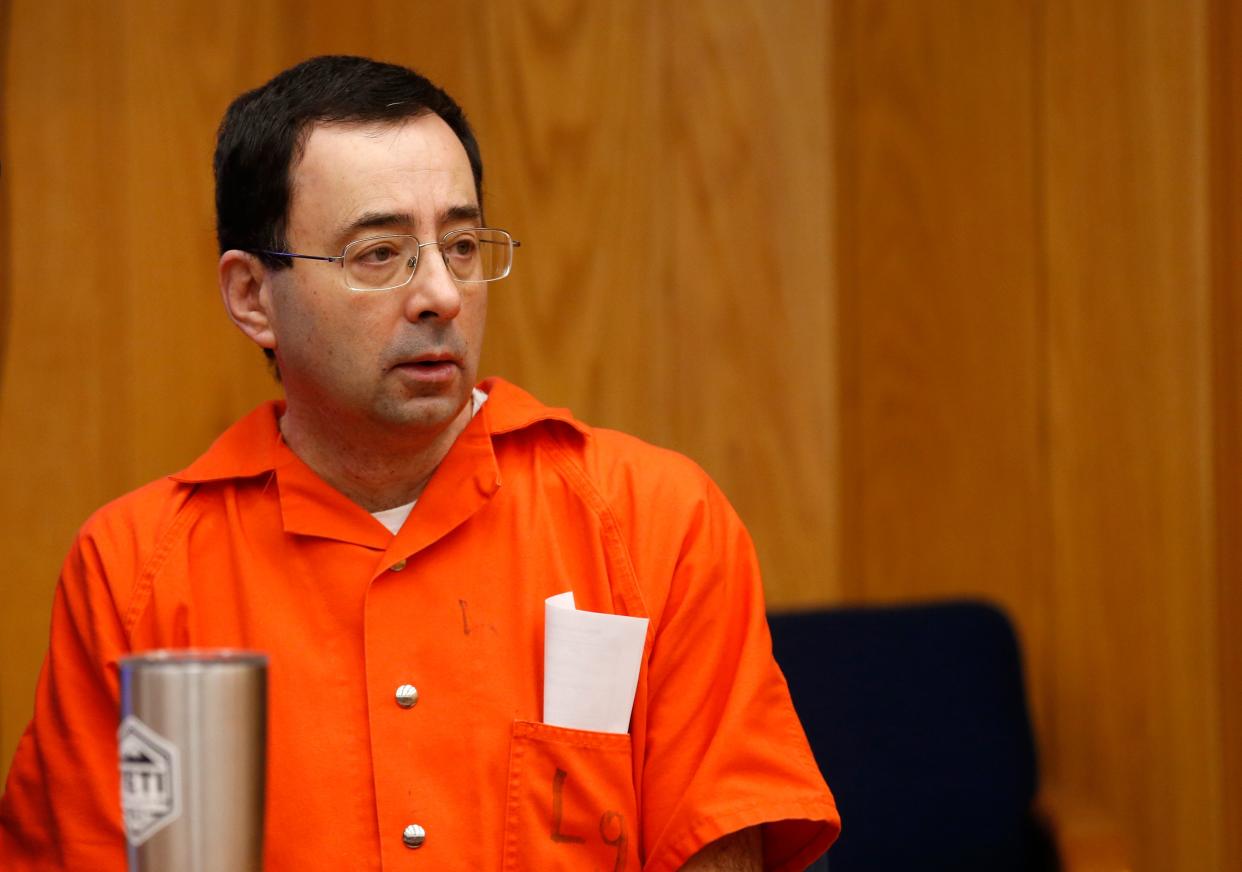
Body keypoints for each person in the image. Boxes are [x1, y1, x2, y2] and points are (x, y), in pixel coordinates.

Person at [0, 55, 839, 871]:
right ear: (253, 297)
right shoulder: (136, 571)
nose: (440, 292)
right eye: (380, 254)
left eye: (463, 245)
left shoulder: (657, 522)